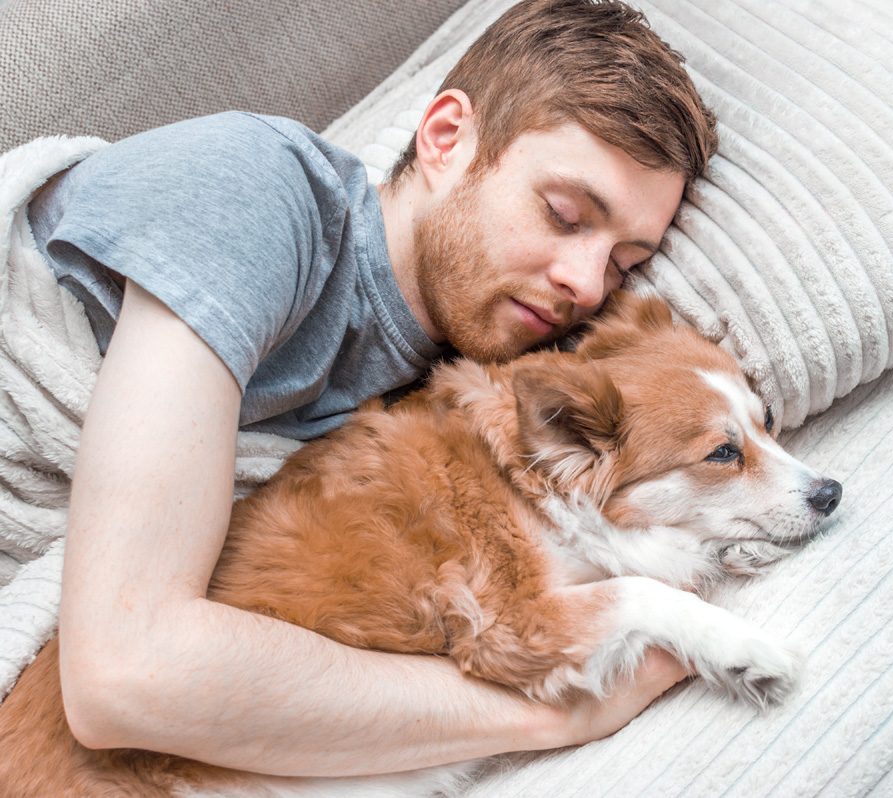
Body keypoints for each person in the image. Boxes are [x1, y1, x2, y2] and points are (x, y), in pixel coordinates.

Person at [31, 0, 718, 778]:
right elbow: (127, 673)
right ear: (446, 138)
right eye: (564, 215)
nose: (586, 283)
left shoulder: (449, 403)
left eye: (626, 263)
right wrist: (550, 713)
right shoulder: (255, 191)